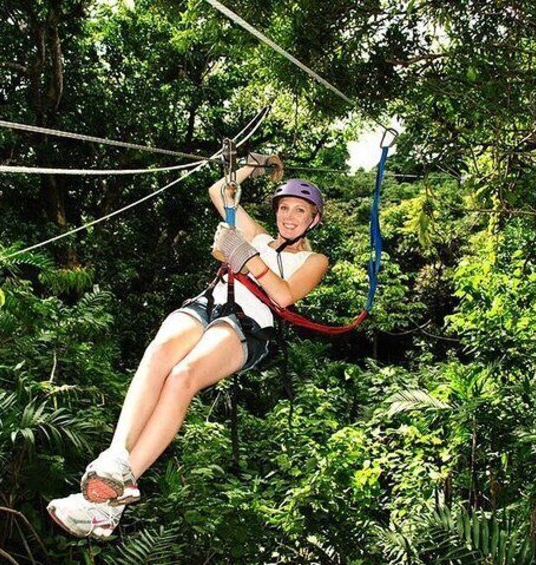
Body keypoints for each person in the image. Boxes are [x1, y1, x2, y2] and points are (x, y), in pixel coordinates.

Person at [47, 154, 329, 539]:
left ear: (313, 220)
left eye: (301, 211)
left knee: (183, 376)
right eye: (284, 208)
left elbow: (283, 296)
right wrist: (253, 163)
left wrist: (244, 257)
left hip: (250, 323)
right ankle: (114, 463)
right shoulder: (260, 236)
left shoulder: (314, 259)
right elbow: (220, 191)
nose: (290, 217)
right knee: (160, 351)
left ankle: (121, 488)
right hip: (212, 300)